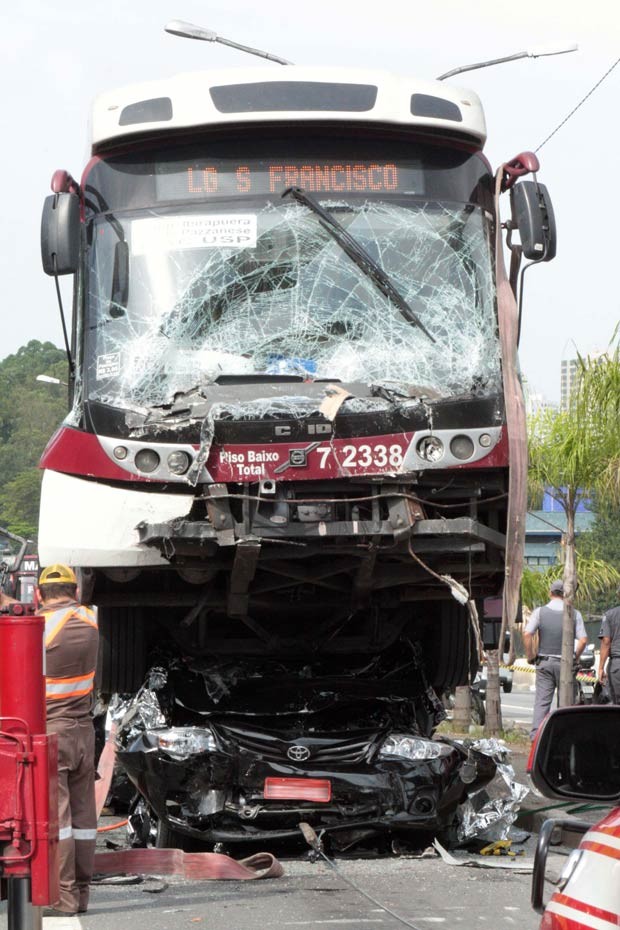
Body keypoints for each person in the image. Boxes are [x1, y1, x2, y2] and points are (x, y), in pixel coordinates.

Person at [37, 564, 99, 917]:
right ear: (75, 592)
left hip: (53, 730)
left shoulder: (41, 629)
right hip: (84, 731)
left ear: (39, 594)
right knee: (84, 817)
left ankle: (64, 898)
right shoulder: (90, 620)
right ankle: (83, 892)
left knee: (57, 819)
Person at [523, 579, 588, 741]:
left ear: (550, 593)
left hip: (544, 662)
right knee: (566, 702)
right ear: (566, 594)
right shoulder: (574, 613)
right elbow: (583, 640)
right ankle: (564, 737)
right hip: (565, 664)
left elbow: (527, 634)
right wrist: (575, 657)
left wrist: (531, 656)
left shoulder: (540, 612)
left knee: (542, 701)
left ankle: (536, 737)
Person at [598, 591, 620, 704]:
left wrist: (601, 667)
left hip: (617, 666)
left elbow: (606, 641)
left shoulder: (610, 615)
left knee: (617, 705)